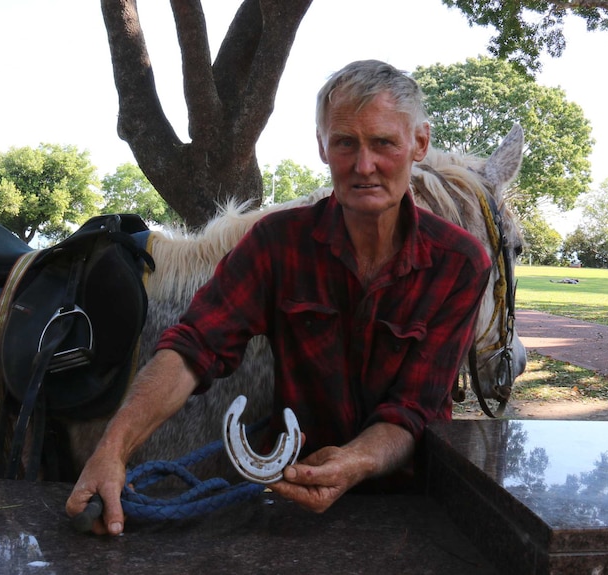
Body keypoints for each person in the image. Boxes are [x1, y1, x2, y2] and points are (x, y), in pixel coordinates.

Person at [66, 60, 492, 535]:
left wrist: (354, 461)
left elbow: (414, 408)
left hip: (405, 507)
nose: (363, 165)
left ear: (419, 144)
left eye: (384, 143)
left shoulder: (460, 264)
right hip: (291, 498)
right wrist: (112, 449)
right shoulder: (278, 243)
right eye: (345, 143)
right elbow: (192, 347)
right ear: (321, 146)